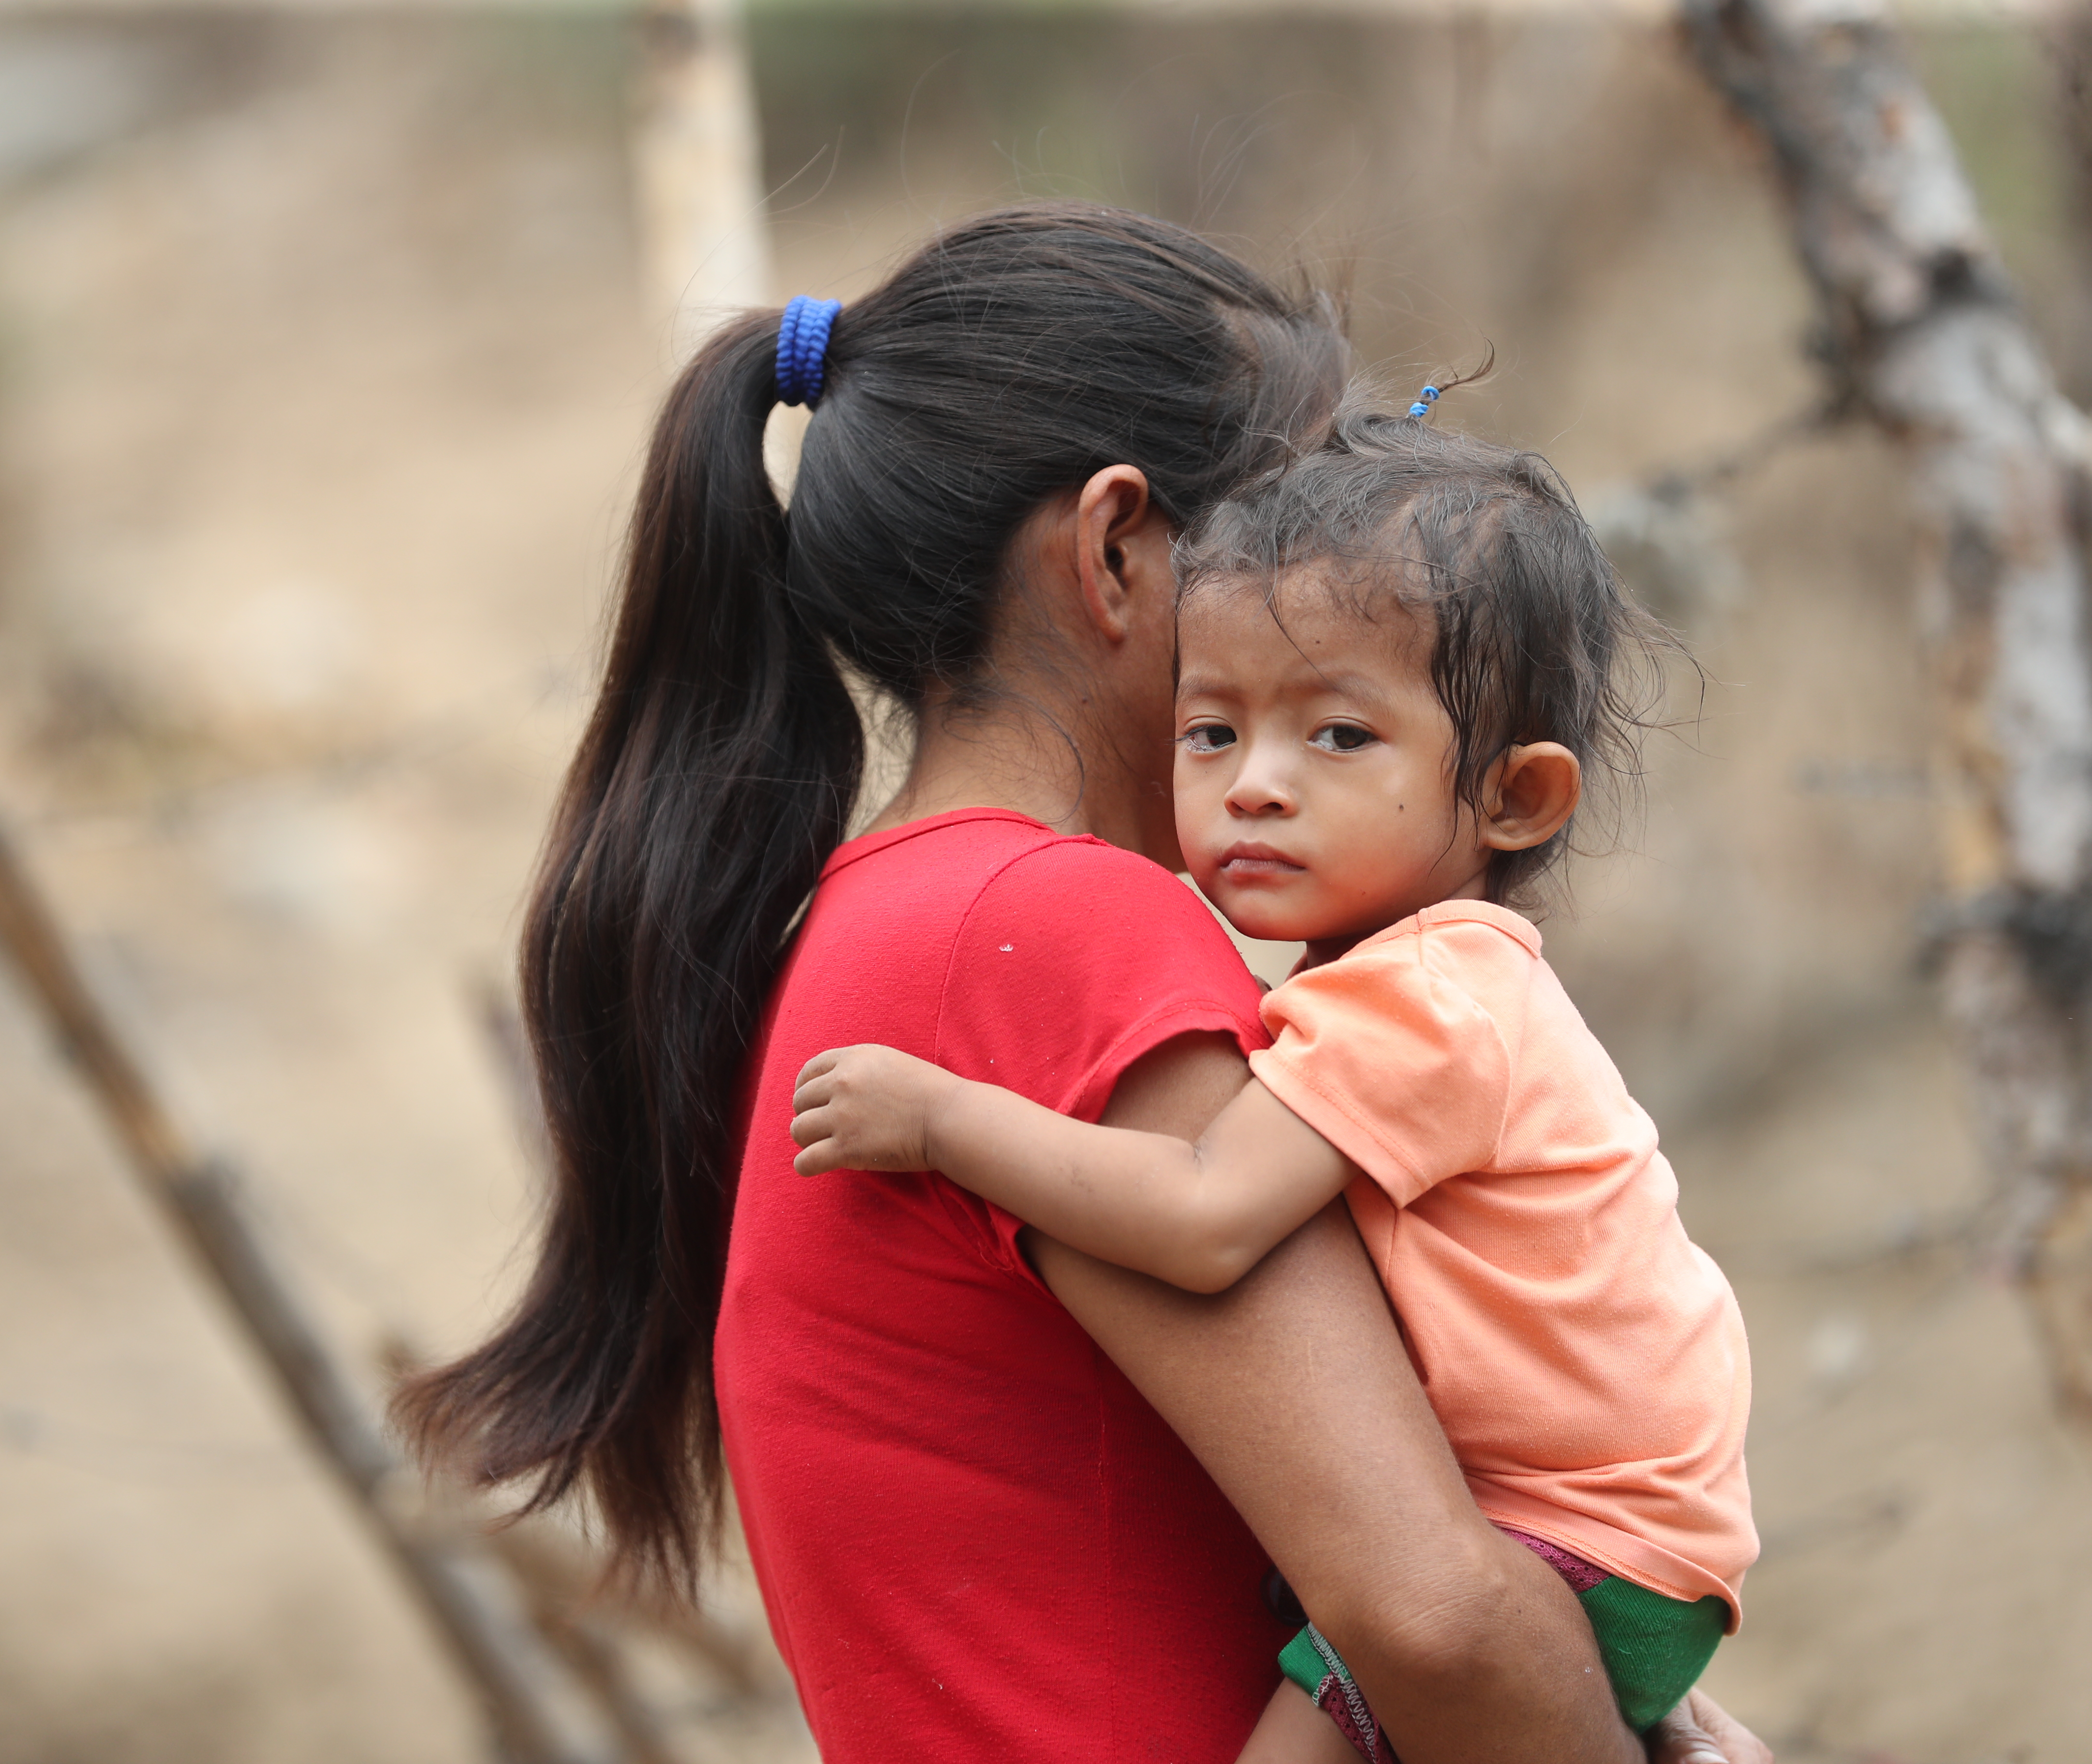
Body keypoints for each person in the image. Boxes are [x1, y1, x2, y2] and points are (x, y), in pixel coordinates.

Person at [398, 200, 1766, 1764]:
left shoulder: (871, 928)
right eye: (1288, 520)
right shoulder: (1045, 932)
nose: (1346, 563)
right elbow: (1430, 1615)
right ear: (1118, 548)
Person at [789, 405, 1753, 1762]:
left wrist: (946, 1118)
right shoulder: (1396, 984)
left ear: (1518, 801)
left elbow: (1200, 1214)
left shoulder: (1426, 994)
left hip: (1577, 1539)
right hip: (1602, 1538)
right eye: (1213, 732)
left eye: (1340, 739)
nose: (1256, 787)